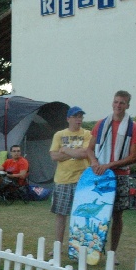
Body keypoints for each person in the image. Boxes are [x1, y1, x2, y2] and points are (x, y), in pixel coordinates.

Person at [85, 90, 136, 255]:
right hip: (100, 173)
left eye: (122, 103)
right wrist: (95, 162)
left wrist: (110, 164)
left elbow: (134, 156)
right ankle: (93, 248)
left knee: (117, 215)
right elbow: (89, 149)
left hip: (120, 174)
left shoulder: (134, 127)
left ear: (127, 105)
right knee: (96, 212)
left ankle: (112, 252)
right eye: (116, 102)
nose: (118, 105)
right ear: (112, 103)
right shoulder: (101, 124)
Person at [49, 106, 92, 247]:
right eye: (76, 117)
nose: (79, 120)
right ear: (68, 119)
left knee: (81, 215)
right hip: (63, 180)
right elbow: (54, 156)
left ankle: (79, 246)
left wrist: (65, 150)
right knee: (61, 215)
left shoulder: (87, 134)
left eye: (81, 117)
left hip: (82, 180)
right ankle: (58, 246)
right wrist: (75, 152)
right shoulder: (59, 135)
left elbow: (85, 153)